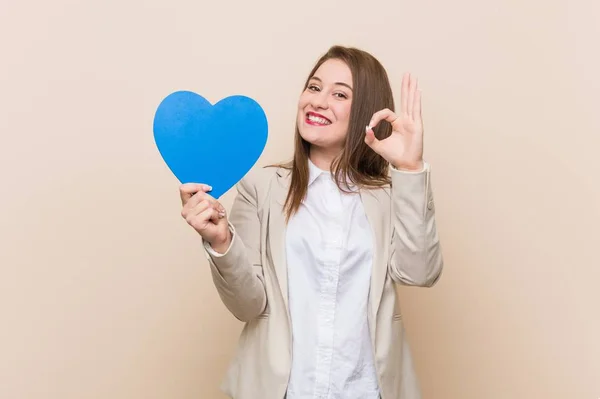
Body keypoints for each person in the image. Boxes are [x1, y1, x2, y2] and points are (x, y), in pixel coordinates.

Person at [179, 45, 444, 399]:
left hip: (365, 389)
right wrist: (222, 242)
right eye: (314, 87)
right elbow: (247, 306)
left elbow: (421, 272)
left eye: (339, 94)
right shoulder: (259, 187)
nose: (318, 101)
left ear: (365, 109)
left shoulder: (392, 195)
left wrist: (410, 170)